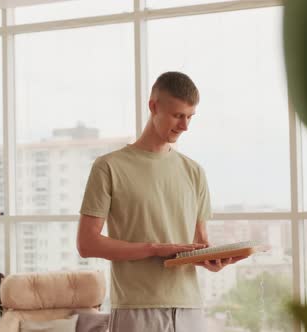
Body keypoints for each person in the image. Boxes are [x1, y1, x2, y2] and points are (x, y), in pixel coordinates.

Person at [76, 71, 248, 331]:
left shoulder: (194, 172)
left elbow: (198, 244)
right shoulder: (108, 167)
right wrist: (155, 248)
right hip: (137, 309)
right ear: (153, 106)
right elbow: (87, 244)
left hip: (190, 309)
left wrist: (212, 259)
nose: (185, 126)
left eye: (190, 117)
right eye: (178, 115)